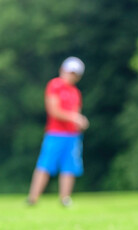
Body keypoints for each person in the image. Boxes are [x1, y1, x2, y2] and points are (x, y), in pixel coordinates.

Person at [27, 57, 89, 207]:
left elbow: (76, 113)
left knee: (69, 167)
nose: (71, 75)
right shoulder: (54, 85)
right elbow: (54, 110)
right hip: (55, 133)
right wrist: (74, 117)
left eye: (75, 73)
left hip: (72, 135)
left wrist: (80, 122)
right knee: (45, 165)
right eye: (70, 71)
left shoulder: (75, 92)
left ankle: (65, 199)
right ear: (62, 70)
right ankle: (33, 199)